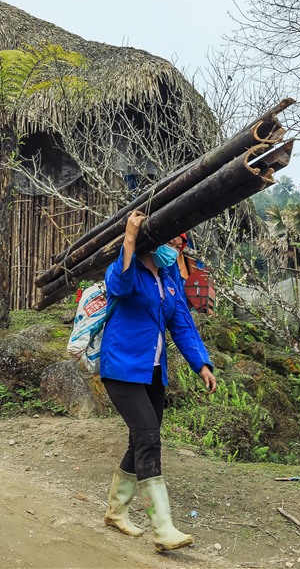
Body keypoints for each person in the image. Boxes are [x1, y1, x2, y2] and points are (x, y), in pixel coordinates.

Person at [99, 210, 217, 552]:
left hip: (152, 371)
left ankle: (115, 512)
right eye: (171, 240)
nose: (176, 246)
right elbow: (117, 285)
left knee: (141, 440)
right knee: (149, 436)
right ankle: (163, 528)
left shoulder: (168, 275)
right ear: (154, 239)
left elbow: (181, 322)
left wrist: (202, 365)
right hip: (121, 367)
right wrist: (130, 238)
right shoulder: (126, 267)